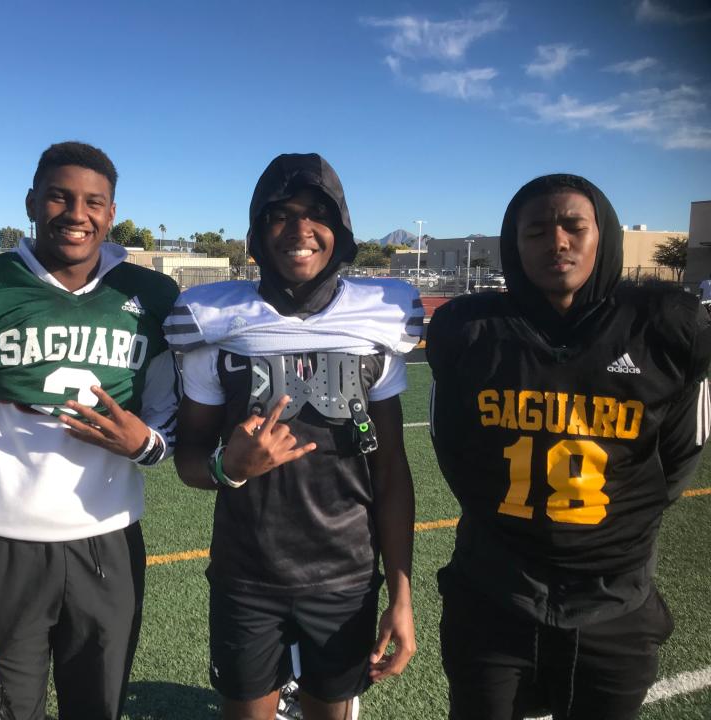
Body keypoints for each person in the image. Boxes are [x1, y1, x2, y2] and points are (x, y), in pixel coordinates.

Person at [426, 173, 711, 720]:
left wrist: (613, 532)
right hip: (494, 591)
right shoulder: (474, 332)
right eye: (535, 231)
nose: (556, 241)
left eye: (573, 226)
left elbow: (678, 459)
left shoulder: (661, 328)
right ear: (514, 244)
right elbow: (453, 448)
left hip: (613, 598)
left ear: (601, 234)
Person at [0, 141, 180, 720]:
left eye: (94, 202)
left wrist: (146, 445)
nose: (76, 213)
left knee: (99, 708)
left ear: (111, 214)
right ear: (33, 201)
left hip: (110, 547)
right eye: (59, 196)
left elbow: (167, 427)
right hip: (2, 551)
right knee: (1, 709)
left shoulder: (150, 298)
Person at [165, 153, 421, 720]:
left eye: (317, 213)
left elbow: (391, 473)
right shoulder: (213, 323)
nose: (299, 230)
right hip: (245, 573)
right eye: (280, 214)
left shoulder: (380, 320)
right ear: (257, 231)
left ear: (342, 229)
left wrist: (401, 590)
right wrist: (230, 467)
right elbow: (188, 460)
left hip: (346, 573)